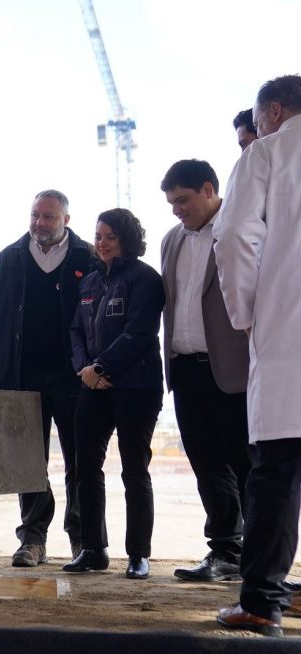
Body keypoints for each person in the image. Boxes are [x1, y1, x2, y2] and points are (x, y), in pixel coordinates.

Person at [214, 74, 301, 638]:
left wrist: (246, 317)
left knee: (276, 472)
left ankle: (262, 604)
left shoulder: (267, 153)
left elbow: (237, 236)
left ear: (271, 112)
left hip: (288, 333)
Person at [0, 189, 94, 568]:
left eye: (48, 217)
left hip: (74, 377)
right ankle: (33, 540)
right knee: (25, 462)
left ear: (66, 221)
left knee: (81, 461)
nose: (39, 223)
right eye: (35, 215)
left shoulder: (87, 257)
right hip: (20, 375)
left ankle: (83, 541)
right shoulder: (8, 259)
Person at [159, 160, 251, 583]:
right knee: (206, 465)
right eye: (172, 203)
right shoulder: (171, 241)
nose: (177, 209)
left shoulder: (240, 229)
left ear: (209, 189)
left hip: (232, 370)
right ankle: (224, 553)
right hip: (185, 372)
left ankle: (263, 556)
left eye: (183, 200)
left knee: (247, 466)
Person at [63, 209, 164, 580]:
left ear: (127, 239)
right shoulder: (89, 283)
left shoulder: (145, 279)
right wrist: (84, 370)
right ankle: (93, 549)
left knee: (134, 470)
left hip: (137, 387)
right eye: (98, 236)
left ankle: (138, 554)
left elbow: (139, 333)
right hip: (93, 386)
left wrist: (100, 367)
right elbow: (75, 330)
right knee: (84, 467)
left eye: (110, 237)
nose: (102, 244)